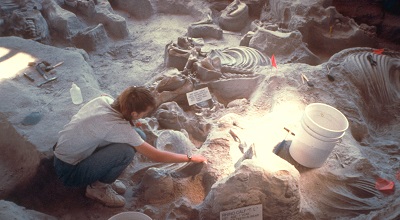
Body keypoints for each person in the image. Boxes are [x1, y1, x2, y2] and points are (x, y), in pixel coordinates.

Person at [53, 86, 207, 207]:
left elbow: (113, 121)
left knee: (138, 134)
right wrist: (190, 157)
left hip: (67, 152)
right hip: (69, 171)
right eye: (143, 114)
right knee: (126, 151)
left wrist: (131, 124)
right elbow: (156, 155)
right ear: (133, 113)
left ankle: (103, 178)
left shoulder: (103, 100)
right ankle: (97, 189)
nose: (144, 116)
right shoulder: (117, 127)